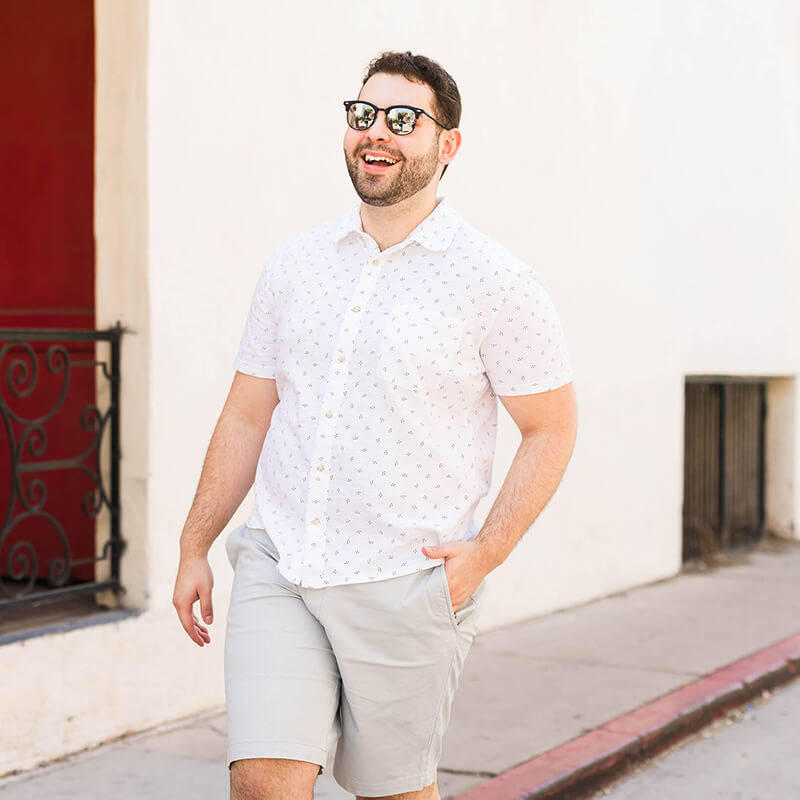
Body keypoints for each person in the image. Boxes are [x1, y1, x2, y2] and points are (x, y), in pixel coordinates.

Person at [172, 50, 578, 800]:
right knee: (263, 782)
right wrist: (196, 543)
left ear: (446, 143)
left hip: (406, 583)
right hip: (281, 564)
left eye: (402, 118)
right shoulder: (294, 266)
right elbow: (246, 414)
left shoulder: (497, 283)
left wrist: (484, 554)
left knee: (393, 795)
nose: (375, 133)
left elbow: (552, 428)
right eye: (363, 115)